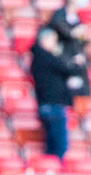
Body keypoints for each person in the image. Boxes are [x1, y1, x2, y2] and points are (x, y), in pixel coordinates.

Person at [31, 27, 77, 160]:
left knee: (51, 146)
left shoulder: (38, 57)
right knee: (59, 147)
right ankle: (55, 173)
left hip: (47, 104)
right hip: (54, 105)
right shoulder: (45, 57)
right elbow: (67, 68)